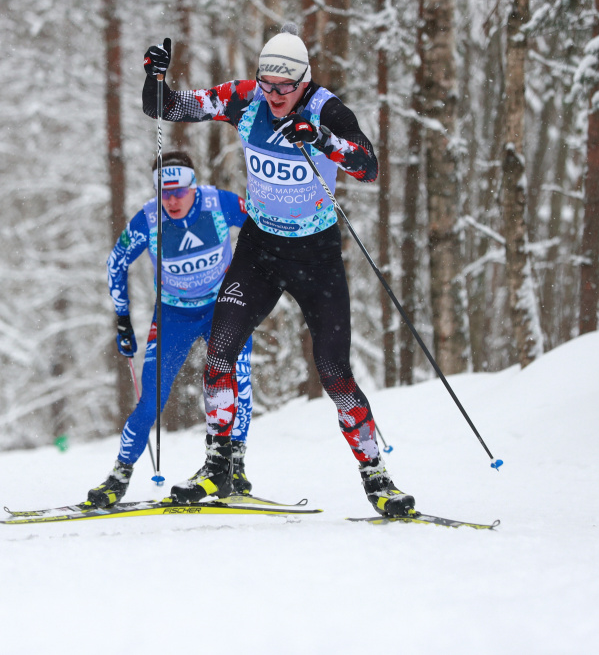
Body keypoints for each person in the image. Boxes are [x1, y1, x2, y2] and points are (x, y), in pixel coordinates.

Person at [142, 25, 416, 516]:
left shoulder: (325, 108)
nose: (273, 97)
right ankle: (220, 467)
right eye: (266, 85)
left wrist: (323, 138)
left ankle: (377, 476)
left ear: (303, 82)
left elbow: (368, 167)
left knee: (333, 372)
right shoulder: (245, 99)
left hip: (316, 257)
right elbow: (170, 108)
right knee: (220, 352)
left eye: (284, 88)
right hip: (260, 250)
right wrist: (154, 79)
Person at [86, 151, 256, 507]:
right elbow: (115, 261)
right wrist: (122, 317)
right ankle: (118, 477)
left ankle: (233, 467)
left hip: (222, 309)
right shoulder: (148, 220)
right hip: (173, 315)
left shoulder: (218, 203)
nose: (173, 200)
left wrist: (257, 273)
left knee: (235, 382)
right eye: (165, 193)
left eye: (180, 191)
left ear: (195, 186)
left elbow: (263, 222)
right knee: (151, 402)